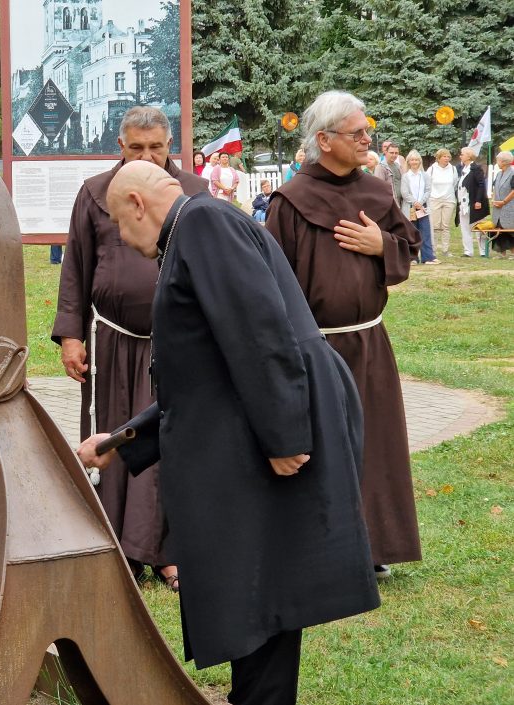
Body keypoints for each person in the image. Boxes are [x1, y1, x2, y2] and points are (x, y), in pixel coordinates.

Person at [78, 160, 379, 705]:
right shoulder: (200, 225)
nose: (124, 239)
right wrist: (120, 441)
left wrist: (286, 438)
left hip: (269, 436)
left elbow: (261, 333)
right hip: (255, 428)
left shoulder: (203, 225)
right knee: (258, 594)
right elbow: (207, 371)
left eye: (120, 226)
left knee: (262, 593)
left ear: (138, 206)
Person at [266, 90, 422, 580]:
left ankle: (373, 546)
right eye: (357, 133)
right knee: (319, 445)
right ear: (324, 140)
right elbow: (270, 279)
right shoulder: (290, 202)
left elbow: (408, 248)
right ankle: (318, 549)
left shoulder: (376, 193)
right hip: (314, 348)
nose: (366, 139)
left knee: (374, 445)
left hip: (369, 341)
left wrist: (382, 245)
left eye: (366, 130)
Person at [52, 106, 206, 590]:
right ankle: (114, 546)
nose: (146, 156)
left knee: (173, 444)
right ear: (120, 146)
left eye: (155, 147)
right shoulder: (96, 193)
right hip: (114, 342)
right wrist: (72, 335)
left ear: (169, 146)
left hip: (176, 343)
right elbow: (75, 265)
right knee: (113, 440)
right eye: (136, 147)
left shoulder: (195, 195)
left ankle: (168, 552)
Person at [401, 149, 438, 264]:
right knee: (412, 233)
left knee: (425, 231)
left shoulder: (425, 176)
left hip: (423, 207)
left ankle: (427, 257)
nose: (414, 162)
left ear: (420, 161)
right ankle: (412, 257)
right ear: (408, 162)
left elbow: (428, 190)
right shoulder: (406, 176)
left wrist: (421, 202)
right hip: (410, 207)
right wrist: (415, 202)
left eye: (416, 159)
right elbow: (404, 193)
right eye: (412, 160)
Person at [456, 147, 489, 257]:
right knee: (465, 228)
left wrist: (479, 200)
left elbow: (481, 185)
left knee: (479, 228)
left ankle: (483, 251)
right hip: (463, 203)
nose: (460, 156)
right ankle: (468, 251)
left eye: (462, 154)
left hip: (475, 202)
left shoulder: (476, 168)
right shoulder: (462, 168)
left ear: (468, 156)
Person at [426, 148, 458, 257]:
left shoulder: (453, 169)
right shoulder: (432, 169)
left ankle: (445, 250)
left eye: (448, 156)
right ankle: (433, 249)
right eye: (444, 156)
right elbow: (428, 184)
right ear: (438, 158)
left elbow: (454, 184)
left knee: (445, 226)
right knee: (435, 226)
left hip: (449, 200)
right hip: (434, 199)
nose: (446, 158)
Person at [490, 150, 514, 258]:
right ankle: (502, 253)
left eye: (498, 161)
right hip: (498, 208)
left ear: (504, 162)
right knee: (499, 229)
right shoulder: (499, 174)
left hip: (509, 207)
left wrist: (504, 202)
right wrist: (495, 200)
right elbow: (495, 188)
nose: (497, 163)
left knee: (509, 231)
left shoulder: (512, 173)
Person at [374, 141, 403, 208]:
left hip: (400, 202)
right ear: (386, 152)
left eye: (396, 153)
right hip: (390, 203)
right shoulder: (380, 167)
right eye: (391, 153)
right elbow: (379, 188)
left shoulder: (397, 166)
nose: (394, 155)